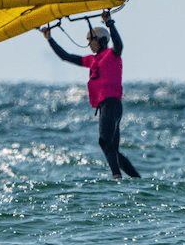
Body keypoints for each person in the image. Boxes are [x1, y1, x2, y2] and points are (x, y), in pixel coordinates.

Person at [41, 10, 140, 178]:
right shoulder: (92, 60)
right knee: (113, 149)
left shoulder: (112, 55)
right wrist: (50, 39)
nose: (89, 44)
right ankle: (136, 178)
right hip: (106, 107)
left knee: (104, 142)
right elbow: (66, 57)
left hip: (111, 104)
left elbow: (119, 45)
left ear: (101, 40)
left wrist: (110, 23)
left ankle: (116, 177)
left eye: (91, 40)